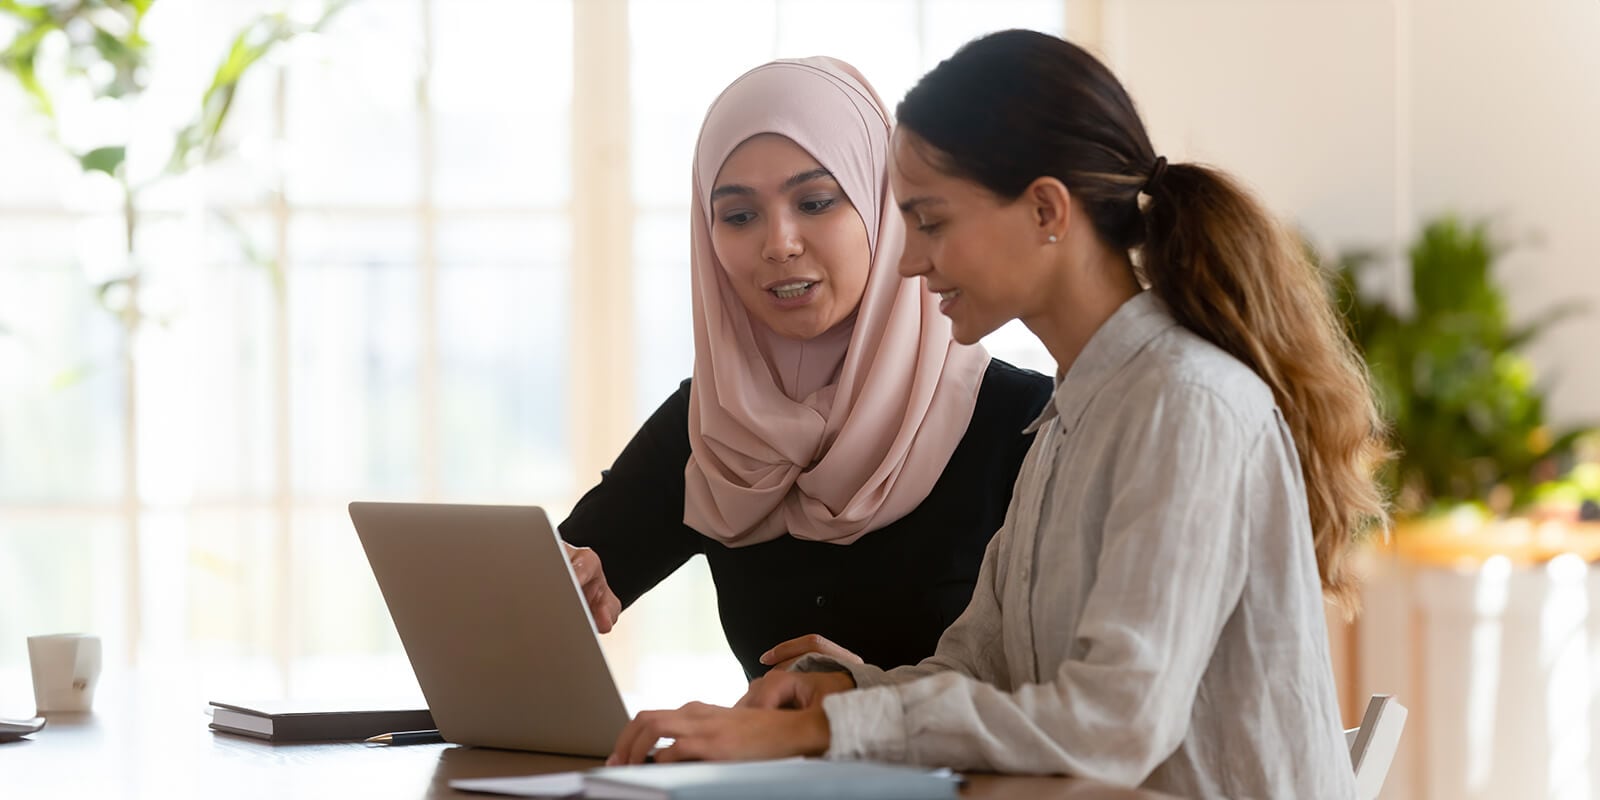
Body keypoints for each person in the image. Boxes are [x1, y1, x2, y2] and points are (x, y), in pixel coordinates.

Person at [606, 30, 1390, 799]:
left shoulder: (1185, 406)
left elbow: (1115, 723)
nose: (909, 259)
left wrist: (818, 733)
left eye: (932, 221)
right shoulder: (1069, 418)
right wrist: (841, 693)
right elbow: (980, 667)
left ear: (1046, 210)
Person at [559, 56, 1052, 680]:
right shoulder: (714, 423)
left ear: (886, 208)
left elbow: (1075, 696)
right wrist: (564, 582)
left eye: (816, 202)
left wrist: (870, 700)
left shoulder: (1029, 426)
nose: (779, 244)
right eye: (739, 216)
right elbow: (566, 571)